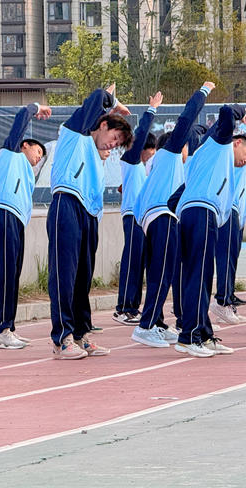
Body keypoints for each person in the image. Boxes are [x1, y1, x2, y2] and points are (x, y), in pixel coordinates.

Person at [48, 85, 132, 359]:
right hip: (67, 204)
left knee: (82, 278)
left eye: (117, 145)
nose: (112, 145)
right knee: (64, 274)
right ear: (103, 124)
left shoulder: (97, 156)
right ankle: (62, 339)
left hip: (89, 214)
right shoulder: (74, 133)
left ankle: (80, 335)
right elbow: (96, 97)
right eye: (114, 137)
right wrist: (113, 102)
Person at [131, 83, 214, 349]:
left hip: (155, 219)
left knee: (161, 273)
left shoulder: (161, 165)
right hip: (162, 218)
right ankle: (145, 326)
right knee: (163, 275)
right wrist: (202, 92)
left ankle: (155, 322)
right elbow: (186, 120)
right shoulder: (170, 155)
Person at [174, 104, 246, 356]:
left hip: (200, 214)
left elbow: (176, 196)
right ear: (236, 142)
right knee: (199, 276)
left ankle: (202, 332)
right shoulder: (220, 145)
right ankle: (189, 337)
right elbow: (225, 111)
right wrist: (241, 112)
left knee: (201, 277)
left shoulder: (209, 159)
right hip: (201, 212)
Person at [0, 102, 51, 349]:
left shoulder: (25, 171)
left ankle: (9, 327)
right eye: (38, 151)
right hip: (4, 214)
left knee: (13, 273)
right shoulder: (11, 153)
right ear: (25, 145)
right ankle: (2, 330)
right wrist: (35, 108)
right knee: (5, 272)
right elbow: (21, 119)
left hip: (16, 220)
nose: (39, 157)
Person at [113, 92, 162, 326]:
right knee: (132, 261)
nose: (151, 155)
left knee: (140, 262)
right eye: (149, 150)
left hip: (141, 218)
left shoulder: (140, 168)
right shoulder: (131, 159)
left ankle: (132, 307)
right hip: (132, 216)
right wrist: (151, 110)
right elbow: (141, 133)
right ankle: (124, 308)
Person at [209, 134, 246, 325]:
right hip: (229, 211)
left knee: (231, 260)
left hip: (237, 218)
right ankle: (222, 301)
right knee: (226, 259)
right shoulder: (237, 162)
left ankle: (228, 298)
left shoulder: (243, 170)